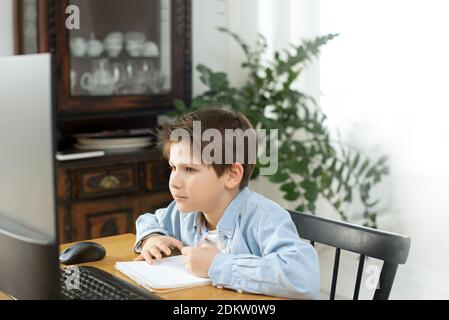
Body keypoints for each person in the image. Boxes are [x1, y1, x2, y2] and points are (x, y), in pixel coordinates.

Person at [133, 108, 320, 299]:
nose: (174, 181)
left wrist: (216, 265)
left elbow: (303, 277)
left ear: (232, 175)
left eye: (189, 169)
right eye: (173, 167)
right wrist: (152, 237)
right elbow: (150, 220)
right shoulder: (185, 212)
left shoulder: (264, 217)